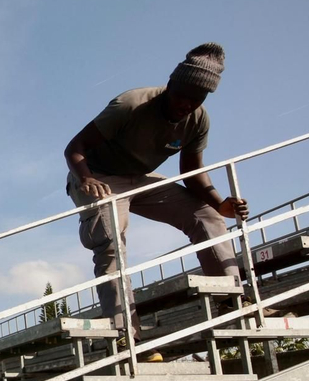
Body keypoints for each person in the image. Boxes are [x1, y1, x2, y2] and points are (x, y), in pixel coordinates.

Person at [62, 43, 251, 361]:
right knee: (110, 242)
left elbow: (193, 174)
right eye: (182, 95)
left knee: (206, 215)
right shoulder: (131, 104)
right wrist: (86, 179)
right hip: (98, 177)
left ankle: (229, 298)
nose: (186, 105)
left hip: (141, 179)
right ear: (170, 84)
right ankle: (125, 336)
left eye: (197, 99)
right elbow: (75, 147)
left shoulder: (198, 119)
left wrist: (220, 204)